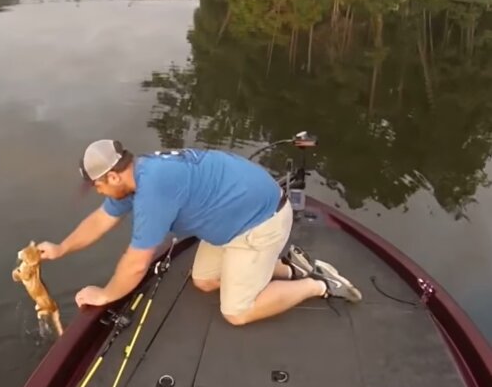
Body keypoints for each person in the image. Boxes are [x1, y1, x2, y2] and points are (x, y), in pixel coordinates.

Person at [37, 139, 361, 326]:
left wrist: (106, 295)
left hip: (261, 221)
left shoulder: (154, 190)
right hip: (232, 219)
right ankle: (292, 268)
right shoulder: (139, 175)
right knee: (205, 281)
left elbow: (135, 263)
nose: (98, 192)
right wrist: (61, 248)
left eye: (97, 186)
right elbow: (101, 220)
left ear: (113, 177)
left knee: (236, 311)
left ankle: (319, 284)